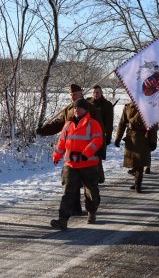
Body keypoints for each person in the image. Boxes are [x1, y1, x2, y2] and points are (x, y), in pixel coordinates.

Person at [37, 83, 103, 215]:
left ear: (81, 93)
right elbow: (59, 125)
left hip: (89, 155)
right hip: (72, 157)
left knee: (89, 185)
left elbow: (99, 133)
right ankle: (75, 209)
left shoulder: (90, 108)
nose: (72, 97)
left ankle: (91, 209)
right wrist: (44, 130)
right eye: (71, 95)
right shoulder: (69, 109)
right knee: (71, 185)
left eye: (75, 94)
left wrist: (99, 151)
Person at [50, 98, 104, 230]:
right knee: (68, 193)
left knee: (91, 192)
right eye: (75, 108)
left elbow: (98, 140)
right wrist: (57, 155)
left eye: (79, 108)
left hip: (88, 165)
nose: (76, 110)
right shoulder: (68, 125)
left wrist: (86, 153)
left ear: (85, 109)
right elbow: (62, 142)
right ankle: (62, 220)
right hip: (71, 165)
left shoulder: (93, 124)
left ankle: (91, 212)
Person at [114, 102, 158, 193]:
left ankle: (138, 183)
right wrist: (118, 138)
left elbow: (153, 125)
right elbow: (122, 123)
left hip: (143, 138)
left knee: (140, 162)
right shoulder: (128, 107)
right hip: (130, 138)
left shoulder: (148, 106)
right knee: (133, 162)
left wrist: (153, 141)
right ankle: (136, 178)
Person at [87, 85, 114, 179]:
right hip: (87, 134)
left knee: (97, 157)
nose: (95, 94)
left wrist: (108, 137)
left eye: (97, 92)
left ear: (101, 93)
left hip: (100, 135)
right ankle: (94, 177)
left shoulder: (107, 105)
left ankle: (99, 177)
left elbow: (109, 122)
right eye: (93, 92)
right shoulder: (88, 103)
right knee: (90, 155)